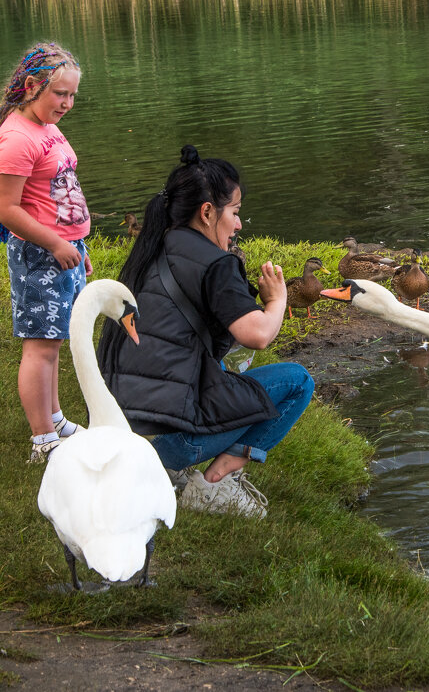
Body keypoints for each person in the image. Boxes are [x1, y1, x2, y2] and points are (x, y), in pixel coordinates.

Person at [97, 145, 314, 519]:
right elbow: (258, 334)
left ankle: (165, 466)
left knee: (228, 377)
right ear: (208, 212)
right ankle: (212, 482)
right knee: (297, 382)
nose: (239, 224)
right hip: (172, 433)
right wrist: (276, 301)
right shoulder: (215, 263)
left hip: (120, 423)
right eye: (236, 212)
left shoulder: (155, 245)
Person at [0, 42, 93, 462]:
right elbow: (5, 208)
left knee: (54, 341)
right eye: (59, 94)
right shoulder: (15, 137)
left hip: (64, 251)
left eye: (72, 95)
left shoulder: (45, 125)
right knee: (40, 346)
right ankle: (43, 440)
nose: (67, 103)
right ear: (32, 86)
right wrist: (54, 243)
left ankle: (56, 419)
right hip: (39, 257)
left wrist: (76, 246)